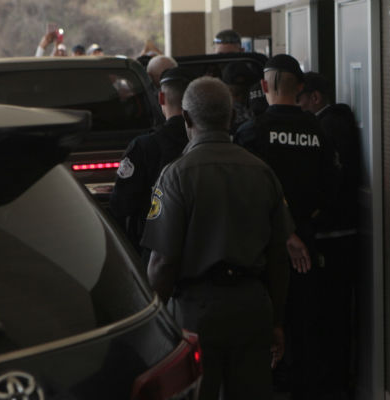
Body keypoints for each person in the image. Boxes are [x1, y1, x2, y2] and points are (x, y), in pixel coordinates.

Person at [141, 76, 295, 400]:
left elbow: (163, 261)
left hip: (196, 315)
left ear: (186, 118)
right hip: (253, 308)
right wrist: (276, 320)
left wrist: (152, 327)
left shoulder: (176, 175)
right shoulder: (262, 172)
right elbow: (280, 256)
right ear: (231, 116)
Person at [234, 54, 339, 400]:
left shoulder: (251, 132)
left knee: (266, 336)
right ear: (300, 88)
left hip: (263, 249)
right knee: (306, 332)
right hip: (308, 245)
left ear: (264, 86)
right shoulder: (318, 132)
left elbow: (245, 196)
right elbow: (332, 190)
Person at [295, 71, 362, 397]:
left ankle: (330, 385)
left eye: (300, 98)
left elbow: (330, 185)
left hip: (334, 239)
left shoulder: (327, 128)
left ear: (315, 98)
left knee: (328, 318)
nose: (297, 106)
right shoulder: (336, 125)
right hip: (340, 235)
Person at [108, 67, 196, 260]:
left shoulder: (143, 147)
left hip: (154, 251)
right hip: (200, 251)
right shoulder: (206, 144)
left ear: (161, 99)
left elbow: (120, 206)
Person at [222, 61, 258, 136]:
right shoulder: (221, 118)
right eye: (236, 94)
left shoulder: (258, 110)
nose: (241, 99)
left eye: (245, 94)